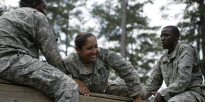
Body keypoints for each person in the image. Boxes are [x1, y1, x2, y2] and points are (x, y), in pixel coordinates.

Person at [0, 0, 79, 102]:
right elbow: (52, 56)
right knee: (68, 86)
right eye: (44, 7)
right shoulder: (36, 15)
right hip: (10, 62)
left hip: (7, 64)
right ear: (35, 5)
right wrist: (69, 77)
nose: (45, 12)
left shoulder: (5, 16)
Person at [63, 32, 143, 102]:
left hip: (105, 89)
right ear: (78, 49)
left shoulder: (103, 54)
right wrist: (73, 80)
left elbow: (126, 68)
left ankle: (153, 88)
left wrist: (137, 97)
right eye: (90, 48)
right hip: (86, 96)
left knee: (142, 93)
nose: (94, 51)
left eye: (96, 46)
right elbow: (56, 76)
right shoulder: (69, 62)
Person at [141, 25, 205, 102]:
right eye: (161, 36)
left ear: (176, 36)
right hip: (172, 96)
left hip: (193, 93)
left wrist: (162, 93)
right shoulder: (162, 59)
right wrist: (136, 95)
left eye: (166, 35)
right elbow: (151, 85)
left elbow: (183, 80)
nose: (162, 39)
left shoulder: (186, 50)